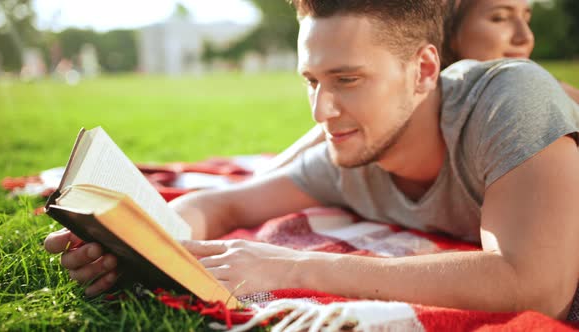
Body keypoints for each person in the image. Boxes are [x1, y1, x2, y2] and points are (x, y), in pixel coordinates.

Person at [44, 0, 579, 320]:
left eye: (347, 80)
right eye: (312, 82)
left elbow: (538, 286)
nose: (323, 111)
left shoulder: (509, 98)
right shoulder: (354, 153)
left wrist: (296, 265)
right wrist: (134, 241)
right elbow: (225, 204)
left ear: (422, 70)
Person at [255, 0, 579, 175]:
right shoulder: (412, 100)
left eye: (526, 16)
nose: (525, 36)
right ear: (448, 28)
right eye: (499, 18)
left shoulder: (539, 97)